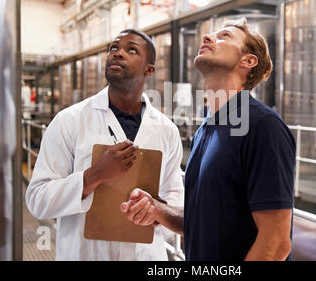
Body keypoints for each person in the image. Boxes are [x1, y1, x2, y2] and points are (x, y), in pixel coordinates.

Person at [121, 18, 295, 261]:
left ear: (248, 61)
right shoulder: (206, 129)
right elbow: (197, 218)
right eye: (211, 34)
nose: (208, 37)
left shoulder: (262, 125)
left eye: (224, 36)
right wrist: (157, 209)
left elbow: (276, 243)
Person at [25, 29, 185, 260]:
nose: (118, 53)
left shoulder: (166, 131)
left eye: (131, 49)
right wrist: (94, 175)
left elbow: (175, 208)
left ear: (149, 70)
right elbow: (37, 201)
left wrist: (154, 210)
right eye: (114, 47)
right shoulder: (70, 121)